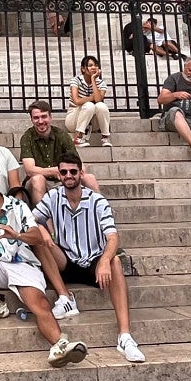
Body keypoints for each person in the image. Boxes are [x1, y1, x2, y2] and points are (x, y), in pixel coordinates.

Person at [0, 160, 87, 368]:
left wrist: (16, 234)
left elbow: (36, 234)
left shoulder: (17, 205)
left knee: (40, 304)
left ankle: (60, 345)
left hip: (21, 262)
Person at [33, 152, 146, 363]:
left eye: (73, 171)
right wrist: (44, 230)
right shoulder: (53, 197)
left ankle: (125, 336)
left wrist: (104, 261)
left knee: (115, 261)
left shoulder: (97, 201)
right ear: (59, 174)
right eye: (64, 172)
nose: (68, 175)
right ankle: (65, 298)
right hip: (65, 260)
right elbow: (32, 220)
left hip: (93, 260)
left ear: (80, 173)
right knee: (39, 239)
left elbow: (112, 237)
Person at [21, 101, 100, 205]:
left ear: (50, 117)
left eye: (44, 116)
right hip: (37, 183)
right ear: (31, 119)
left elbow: (79, 166)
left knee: (89, 178)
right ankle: (41, 219)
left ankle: (101, 213)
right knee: (38, 179)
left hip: (62, 179)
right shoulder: (27, 138)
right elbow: (30, 170)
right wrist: (55, 171)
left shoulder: (62, 135)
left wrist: (64, 173)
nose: (40, 121)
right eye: (36, 118)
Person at [157, 57, 191, 162]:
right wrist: (176, 94)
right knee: (175, 111)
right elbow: (161, 100)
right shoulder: (174, 78)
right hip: (174, 119)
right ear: (184, 67)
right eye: (189, 70)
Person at [66, 56, 112, 148]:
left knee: (101, 106)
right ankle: (78, 137)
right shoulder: (76, 80)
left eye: (95, 65)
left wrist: (93, 80)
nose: (94, 67)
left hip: (92, 124)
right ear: (83, 69)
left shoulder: (101, 83)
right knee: (89, 105)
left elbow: (98, 100)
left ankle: (105, 137)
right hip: (74, 119)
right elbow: (77, 101)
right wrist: (92, 97)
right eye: (90, 65)